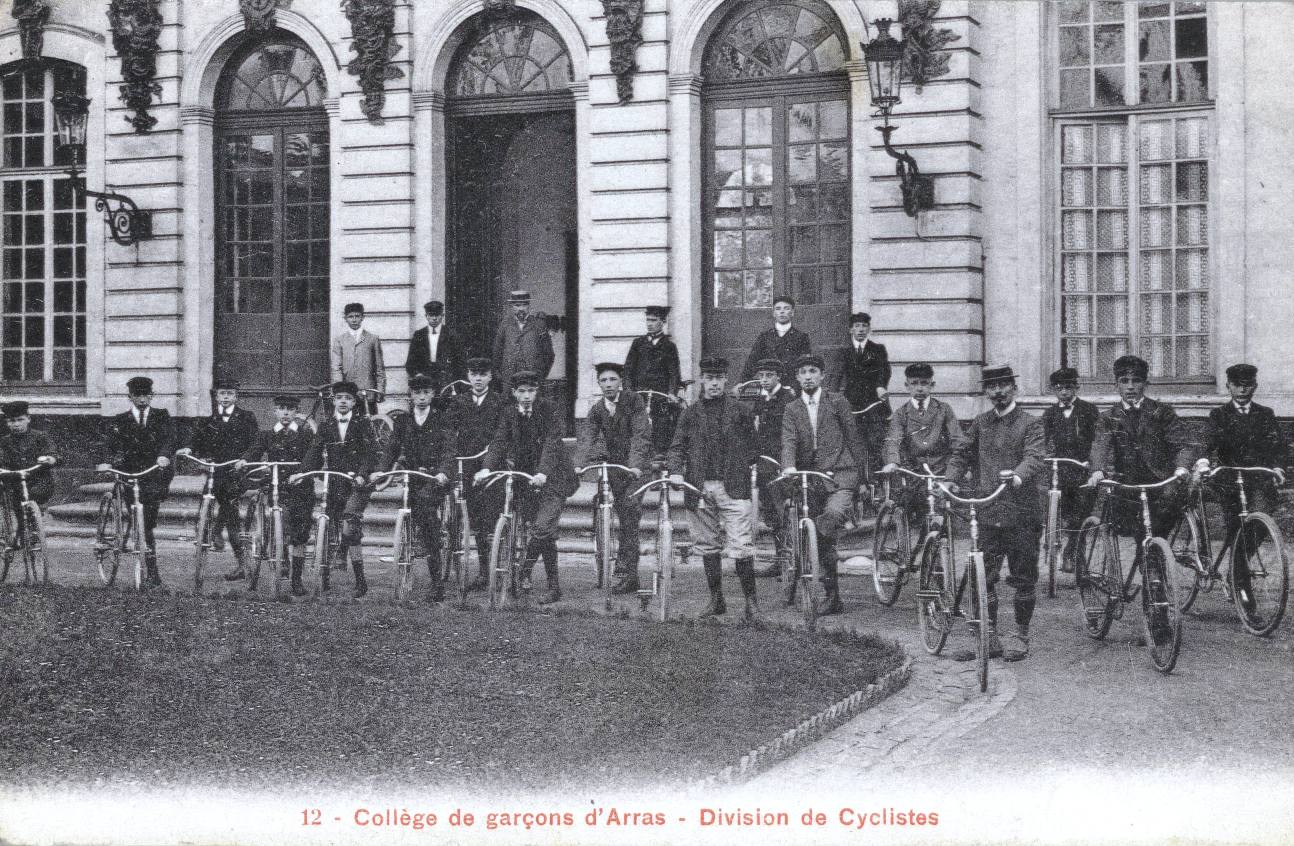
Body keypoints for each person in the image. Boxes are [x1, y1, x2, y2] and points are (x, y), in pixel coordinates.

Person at [945, 365, 1046, 663]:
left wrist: (1018, 475)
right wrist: (951, 478)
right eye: (992, 386)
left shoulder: (1031, 423)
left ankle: (1020, 634)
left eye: (1003, 385)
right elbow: (962, 453)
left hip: (1022, 511)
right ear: (986, 391)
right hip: (988, 509)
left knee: (1023, 576)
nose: (998, 391)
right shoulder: (981, 422)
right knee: (984, 575)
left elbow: (1034, 456)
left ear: (1014, 388)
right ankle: (988, 634)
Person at [666, 357, 760, 619]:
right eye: (709, 378)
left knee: (741, 545)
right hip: (699, 487)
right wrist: (676, 472)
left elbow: (754, 447)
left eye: (719, 378)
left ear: (726, 379)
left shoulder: (741, 411)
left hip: (733, 487)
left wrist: (740, 466)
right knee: (707, 545)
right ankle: (716, 600)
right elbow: (676, 448)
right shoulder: (689, 414)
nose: (714, 383)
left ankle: (751, 603)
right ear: (702, 380)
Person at [474, 370, 578, 605]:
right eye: (522, 391)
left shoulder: (549, 409)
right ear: (514, 392)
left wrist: (543, 472)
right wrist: (486, 469)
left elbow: (552, 443)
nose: (527, 396)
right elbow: (499, 442)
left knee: (542, 528)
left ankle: (524, 571)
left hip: (555, 477)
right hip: (527, 479)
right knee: (544, 533)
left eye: (531, 390)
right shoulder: (509, 413)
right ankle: (553, 587)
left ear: (537, 391)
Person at [780, 353, 868, 614]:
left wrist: (864, 479)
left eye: (813, 371)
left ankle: (830, 593)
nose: (808, 376)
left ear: (822, 376)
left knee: (830, 517)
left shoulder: (837, 402)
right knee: (818, 531)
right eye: (803, 372)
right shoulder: (792, 408)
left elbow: (853, 438)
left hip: (841, 474)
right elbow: (789, 440)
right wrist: (789, 466)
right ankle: (829, 591)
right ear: (797, 377)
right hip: (812, 477)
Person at [1202, 363, 1287, 615]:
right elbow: (1208, 443)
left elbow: (1279, 447)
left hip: (1258, 479)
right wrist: (1204, 462)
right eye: (1237, 385)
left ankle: (1236, 569)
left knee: (1258, 522)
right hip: (1229, 480)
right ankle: (1241, 582)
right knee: (1236, 527)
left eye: (1247, 385)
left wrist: (1278, 467)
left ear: (1254, 386)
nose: (1242, 390)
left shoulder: (1265, 414)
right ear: (1228, 386)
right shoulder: (1218, 415)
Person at [1085, 354, 1200, 540]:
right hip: (1126, 483)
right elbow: (1100, 445)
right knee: (1128, 523)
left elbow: (1183, 444)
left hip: (1159, 481)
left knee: (1166, 510)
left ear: (1146, 384)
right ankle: (1147, 550)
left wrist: (1182, 467)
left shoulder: (1162, 412)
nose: (1130, 387)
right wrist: (1097, 470)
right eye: (1124, 381)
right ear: (1116, 385)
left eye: (1136, 381)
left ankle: (1154, 549)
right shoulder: (1108, 417)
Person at [296, 380, 379, 598]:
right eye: (339, 398)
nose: (343, 402)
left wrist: (362, 475)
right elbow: (314, 451)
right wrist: (302, 472)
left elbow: (372, 453)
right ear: (333, 401)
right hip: (335, 482)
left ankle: (360, 581)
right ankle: (324, 576)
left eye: (348, 399)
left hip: (358, 483)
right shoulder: (326, 426)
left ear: (354, 402)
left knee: (350, 524)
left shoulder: (363, 423)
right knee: (329, 521)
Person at [177, 378, 260, 581]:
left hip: (236, 471)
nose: (225, 397)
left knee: (229, 507)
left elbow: (255, 443)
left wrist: (245, 459)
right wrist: (189, 448)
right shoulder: (209, 420)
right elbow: (196, 438)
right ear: (216, 396)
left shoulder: (247, 417)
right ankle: (208, 532)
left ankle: (222, 538)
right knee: (208, 498)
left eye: (229, 394)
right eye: (222, 393)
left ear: (236, 396)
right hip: (216, 471)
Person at [97, 376, 176, 587]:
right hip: (129, 473)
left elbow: (170, 439)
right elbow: (109, 444)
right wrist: (106, 461)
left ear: (152, 396)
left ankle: (143, 549)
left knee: (148, 521)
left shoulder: (162, 416)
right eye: (137, 395)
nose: (142, 399)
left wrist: (164, 455)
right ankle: (152, 571)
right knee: (142, 520)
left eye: (146, 395)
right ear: (130, 397)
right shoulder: (120, 420)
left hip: (154, 472)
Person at [579, 361, 649, 593]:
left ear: (621, 382)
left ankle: (628, 574)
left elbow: (640, 435)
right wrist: (579, 464)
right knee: (610, 506)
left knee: (629, 513)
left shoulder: (634, 401)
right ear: (598, 384)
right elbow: (587, 436)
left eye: (612, 379)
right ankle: (612, 557)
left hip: (637, 468)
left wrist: (635, 465)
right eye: (603, 380)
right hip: (615, 468)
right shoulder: (598, 409)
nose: (608, 384)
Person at [383, 373, 453, 602]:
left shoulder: (441, 419)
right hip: (412, 476)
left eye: (426, 392)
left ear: (432, 394)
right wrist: (381, 470)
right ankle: (413, 540)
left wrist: (443, 472)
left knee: (426, 511)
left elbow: (449, 449)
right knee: (413, 505)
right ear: (411, 396)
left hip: (435, 478)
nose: (421, 397)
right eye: (417, 393)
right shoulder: (403, 421)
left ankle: (436, 582)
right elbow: (392, 448)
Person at [238, 395, 315, 597]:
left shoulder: (306, 435)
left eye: (290, 409)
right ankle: (281, 557)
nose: (286, 412)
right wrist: (245, 460)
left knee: (300, 534)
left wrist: (304, 472)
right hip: (277, 487)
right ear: (275, 411)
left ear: (296, 412)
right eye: (282, 408)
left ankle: (296, 579)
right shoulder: (267, 435)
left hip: (301, 488)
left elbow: (313, 457)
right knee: (279, 521)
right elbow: (254, 451)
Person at [449, 357, 507, 591]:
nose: (478, 379)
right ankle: (484, 570)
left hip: (493, 466)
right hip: (467, 465)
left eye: (483, 374)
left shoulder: (500, 402)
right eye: (474, 374)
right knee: (475, 520)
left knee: (491, 516)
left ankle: (497, 567)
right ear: (468, 376)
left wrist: (492, 461)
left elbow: (503, 434)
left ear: (490, 376)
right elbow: (449, 431)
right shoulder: (459, 402)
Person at [881, 363, 967, 514]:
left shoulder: (944, 410)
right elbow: (893, 439)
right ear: (907, 386)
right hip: (914, 476)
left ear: (932, 385)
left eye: (924, 383)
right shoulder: (901, 414)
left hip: (942, 473)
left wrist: (954, 472)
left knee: (949, 513)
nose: (919, 388)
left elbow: (958, 440)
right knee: (910, 509)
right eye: (914, 383)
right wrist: (893, 462)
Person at [1040, 367, 1099, 573]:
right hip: (1059, 471)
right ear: (1054, 390)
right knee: (1058, 513)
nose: (1064, 392)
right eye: (1059, 388)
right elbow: (1042, 441)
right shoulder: (1049, 414)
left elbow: (1096, 441)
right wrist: (1044, 459)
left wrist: (1091, 463)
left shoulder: (1089, 410)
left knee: (1080, 516)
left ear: (1076, 387)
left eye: (1068, 387)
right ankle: (1055, 547)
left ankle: (1074, 555)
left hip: (1082, 469)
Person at [748, 358, 796, 578]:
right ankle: (781, 559)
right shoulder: (761, 398)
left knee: (783, 511)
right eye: (761, 376)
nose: (764, 380)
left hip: (781, 463)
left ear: (779, 376)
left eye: (769, 375)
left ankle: (791, 560)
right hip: (764, 464)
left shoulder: (788, 399)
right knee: (772, 514)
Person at [832, 312, 891, 479]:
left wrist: (880, 386)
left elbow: (884, 370)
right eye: (857, 326)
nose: (860, 329)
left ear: (869, 329)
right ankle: (857, 479)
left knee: (875, 441)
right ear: (851, 329)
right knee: (853, 441)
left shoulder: (878, 349)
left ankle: (875, 480)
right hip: (852, 403)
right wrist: (832, 397)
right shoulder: (844, 352)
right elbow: (836, 376)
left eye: (864, 326)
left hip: (873, 402)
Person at [624, 305, 684, 458]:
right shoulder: (638, 343)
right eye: (648, 320)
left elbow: (674, 373)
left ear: (662, 322)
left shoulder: (669, 346)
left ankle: (660, 453)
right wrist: (628, 391)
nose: (649, 324)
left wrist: (672, 393)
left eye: (653, 320)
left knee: (663, 422)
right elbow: (628, 370)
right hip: (639, 394)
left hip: (660, 395)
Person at [0, 401, 58, 543]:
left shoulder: (40, 437)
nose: (16, 424)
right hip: (15, 480)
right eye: (12, 421)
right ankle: (19, 530)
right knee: (15, 498)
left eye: (20, 420)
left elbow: (53, 453)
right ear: (7, 423)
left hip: (40, 480)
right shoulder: (4, 441)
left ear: (28, 419)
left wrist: (50, 459)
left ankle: (33, 525)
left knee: (33, 495)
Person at [330, 302, 386, 415]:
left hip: (368, 392)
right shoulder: (340, 340)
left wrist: (380, 390)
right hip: (348, 393)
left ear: (362, 317)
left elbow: (379, 368)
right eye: (350, 317)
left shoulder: (372, 339)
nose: (354, 320)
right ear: (345, 319)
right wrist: (339, 389)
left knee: (370, 421)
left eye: (357, 316)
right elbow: (336, 368)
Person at [740, 296, 812, 384]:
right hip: (769, 385)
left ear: (792, 312)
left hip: (792, 386)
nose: (782, 311)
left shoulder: (801, 337)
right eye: (778, 309)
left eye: (786, 308)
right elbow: (751, 362)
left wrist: (797, 387)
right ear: (774, 313)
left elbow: (805, 366)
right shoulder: (764, 337)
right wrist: (742, 383)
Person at [492, 290, 554, 387]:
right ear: (512, 307)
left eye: (524, 305)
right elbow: (497, 352)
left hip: (533, 380)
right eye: (517, 305)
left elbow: (549, 354)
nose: (521, 308)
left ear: (529, 305)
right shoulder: (505, 324)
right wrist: (501, 376)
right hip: (509, 381)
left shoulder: (539, 325)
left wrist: (540, 376)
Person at [404, 300, 465, 391]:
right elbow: (410, 362)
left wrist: (453, 379)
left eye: (437, 315)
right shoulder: (419, 335)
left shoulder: (451, 335)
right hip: (425, 381)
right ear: (426, 316)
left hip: (446, 381)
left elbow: (460, 361)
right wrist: (418, 375)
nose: (434, 318)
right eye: (431, 315)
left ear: (442, 316)